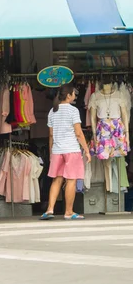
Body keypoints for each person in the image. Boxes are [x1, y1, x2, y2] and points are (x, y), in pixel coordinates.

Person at [40, 84, 91, 220]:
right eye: (73, 93)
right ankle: (68, 212)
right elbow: (79, 133)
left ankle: (50, 209)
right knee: (71, 180)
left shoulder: (52, 111)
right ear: (68, 96)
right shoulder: (73, 111)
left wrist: (51, 152)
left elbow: (50, 135)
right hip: (71, 150)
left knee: (56, 180)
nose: (75, 96)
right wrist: (87, 150)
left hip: (57, 150)